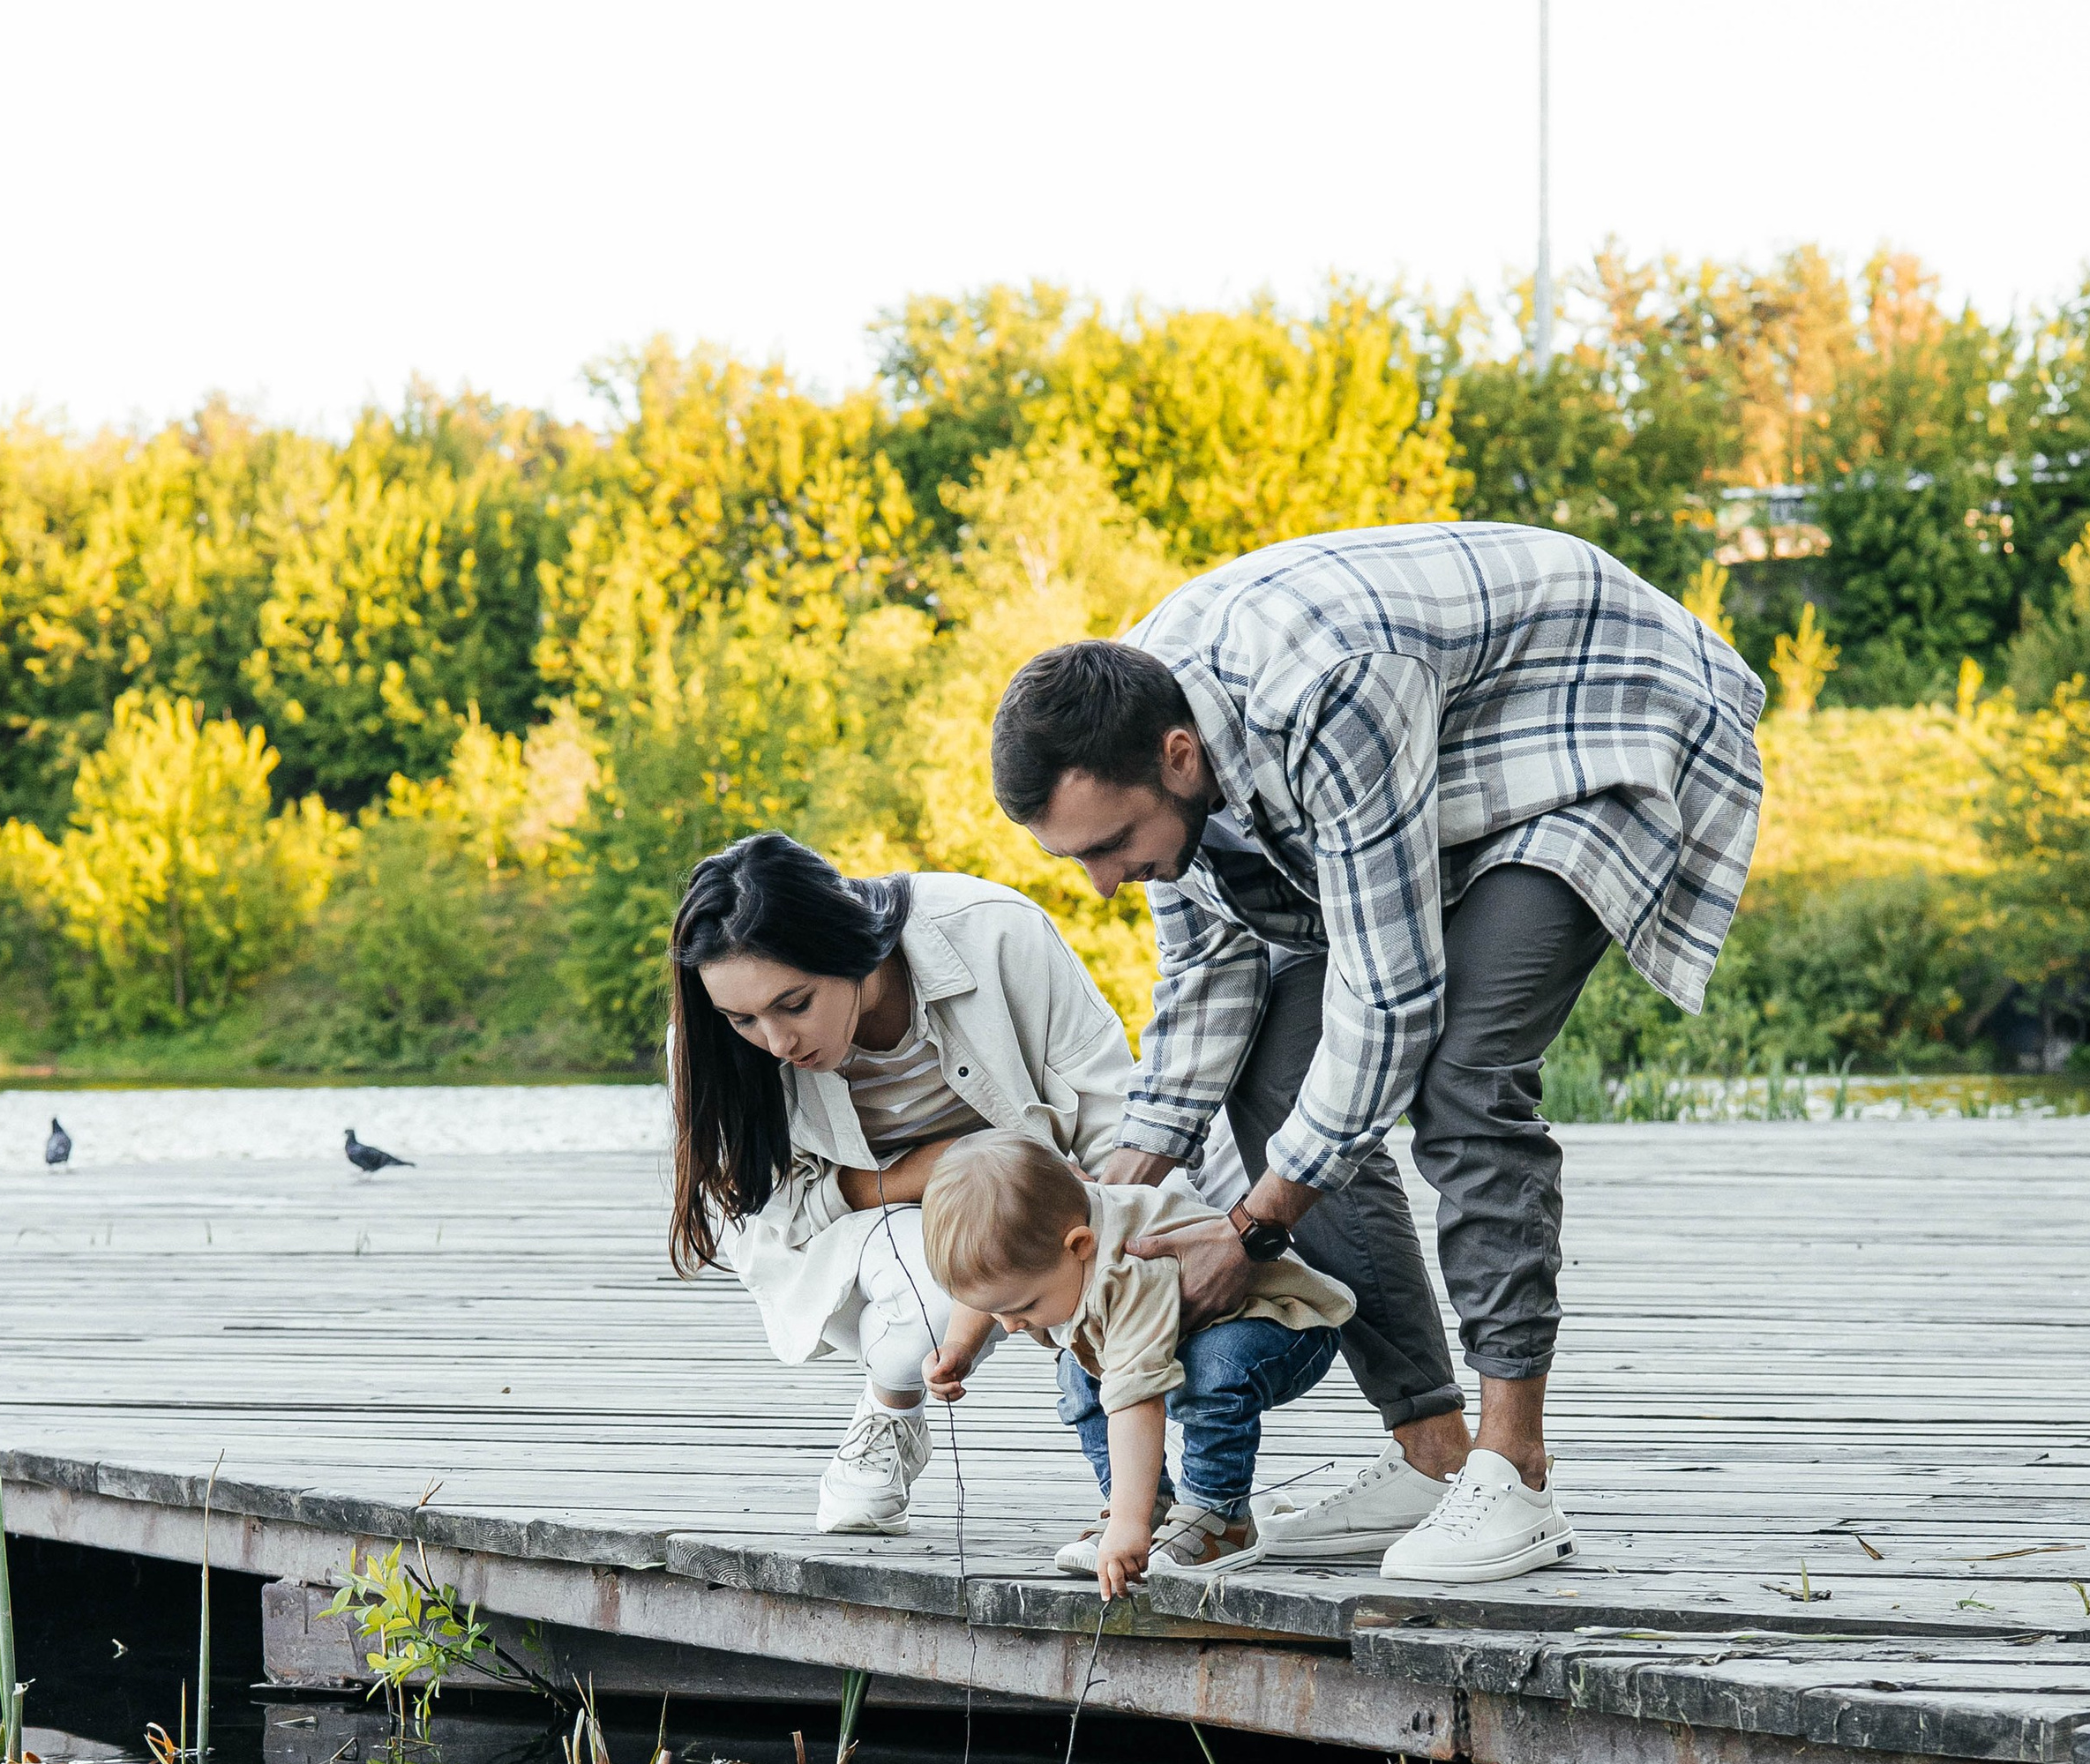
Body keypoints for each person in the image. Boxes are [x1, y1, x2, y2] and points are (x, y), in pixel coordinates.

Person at [990, 523, 1766, 1583]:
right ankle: (1433, 1453)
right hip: (1437, 759)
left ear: (1178, 759)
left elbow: (1392, 1003)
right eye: (1074, 858)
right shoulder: (1148, 737)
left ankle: (1514, 1470)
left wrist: (1251, 1229)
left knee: (1462, 1078)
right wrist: (1097, 1208)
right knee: (1275, 1077)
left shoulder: (1327, 695)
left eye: (1109, 847)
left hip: (1593, 722)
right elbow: (1208, 990)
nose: (1102, 883)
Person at [666, 833, 1133, 1536]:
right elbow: (763, 1219)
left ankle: (1165, 1495)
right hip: (854, 1242)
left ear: (847, 943)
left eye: (794, 1003)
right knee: (935, 1290)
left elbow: (1115, 1117)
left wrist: (1105, 1247)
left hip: (1049, 1202)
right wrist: (921, 1172)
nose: (777, 1042)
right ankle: (891, 1409)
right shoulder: (718, 1047)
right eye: (744, 1020)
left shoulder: (995, 932)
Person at [918, 1130, 1353, 1591]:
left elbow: (1136, 1401)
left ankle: (1219, 1517)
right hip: (1186, 1327)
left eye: (1024, 1308)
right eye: (997, 1311)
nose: (1009, 1326)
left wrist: (1129, 1522)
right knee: (1078, 1369)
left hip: (1282, 1325)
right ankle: (1154, 1506)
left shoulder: (1125, 1271)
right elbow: (988, 1284)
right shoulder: (1049, 1227)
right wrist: (960, 1347)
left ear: (1080, 1246)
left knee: (1208, 1372)